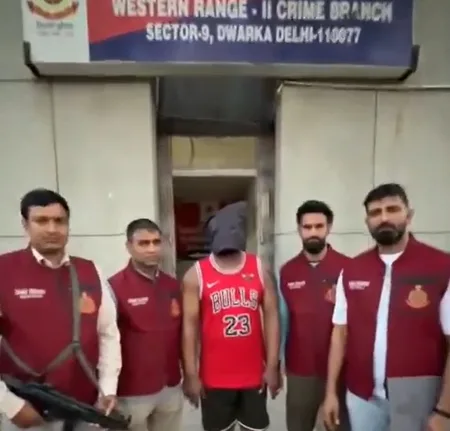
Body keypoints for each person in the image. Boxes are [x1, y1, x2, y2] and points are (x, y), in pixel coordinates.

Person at [323, 183, 450, 431]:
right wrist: (330, 393)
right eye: (375, 212)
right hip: (362, 397)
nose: (384, 218)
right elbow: (339, 333)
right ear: (367, 221)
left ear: (409, 215)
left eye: (392, 209)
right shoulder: (352, 270)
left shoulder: (441, 267)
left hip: (419, 397)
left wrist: (445, 410)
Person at [0, 188, 121, 430]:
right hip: (27, 411)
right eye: (41, 221)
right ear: (25, 224)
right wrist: (10, 404)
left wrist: (107, 389)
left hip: (85, 407)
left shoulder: (90, 270)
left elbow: (108, 334)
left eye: (59, 221)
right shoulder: (4, 270)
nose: (52, 229)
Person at [182, 201, 281, 431]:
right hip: (214, 378)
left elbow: (272, 317)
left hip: (253, 375)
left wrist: (273, 366)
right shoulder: (195, 275)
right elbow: (189, 327)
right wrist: (190, 374)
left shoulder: (259, 268)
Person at [279, 200, 350, 431]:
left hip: (341, 370)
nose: (313, 232)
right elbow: (281, 321)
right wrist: (277, 362)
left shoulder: (348, 268)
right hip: (301, 370)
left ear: (329, 227)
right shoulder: (287, 271)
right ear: (299, 229)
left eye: (319, 226)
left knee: (337, 426)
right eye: (307, 227)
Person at [109, 219, 182, 431]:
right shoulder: (114, 287)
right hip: (132, 392)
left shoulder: (172, 285)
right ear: (129, 246)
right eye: (143, 243)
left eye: (156, 242)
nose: (151, 249)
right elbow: (106, 341)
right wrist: (107, 390)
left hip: (170, 387)